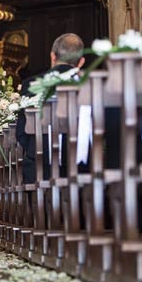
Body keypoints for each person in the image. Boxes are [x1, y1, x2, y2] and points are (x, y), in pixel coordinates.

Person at [16, 33, 85, 184]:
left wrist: (37, 151)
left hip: (40, 169)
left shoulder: (31, 84)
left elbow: (21, 133)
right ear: (81, 62)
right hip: (83, 167)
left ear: (53, 56)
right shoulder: (89, 84)